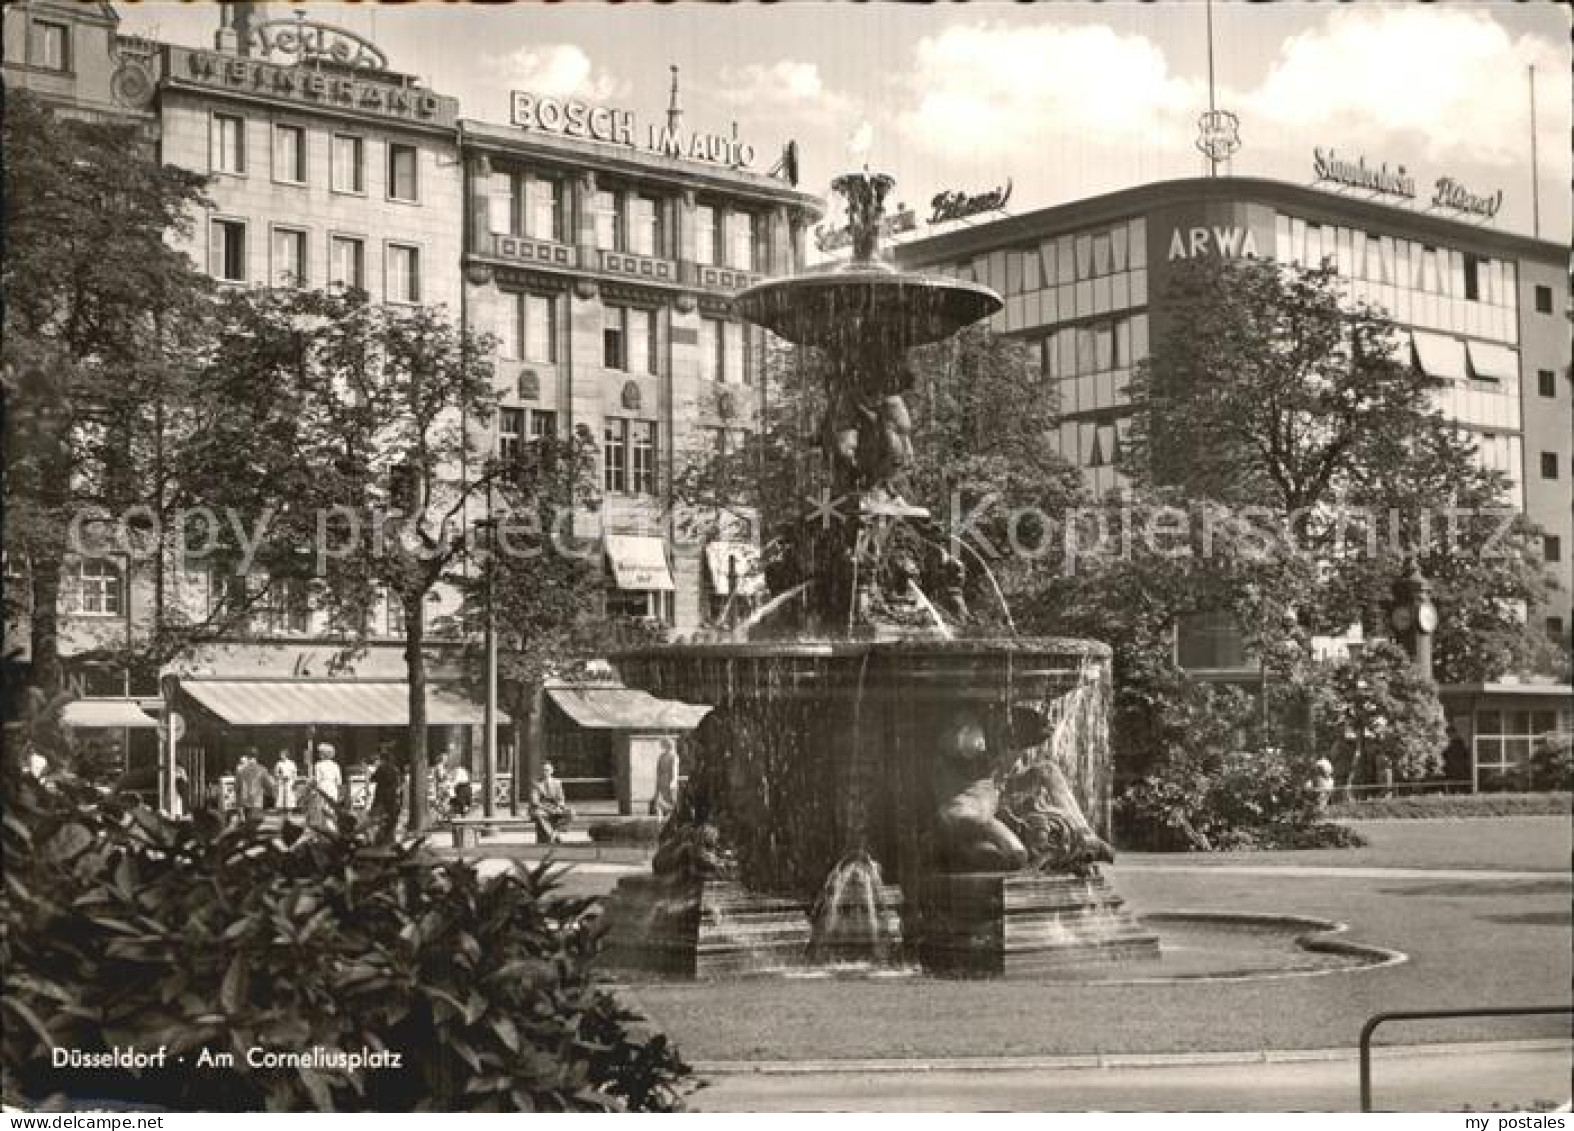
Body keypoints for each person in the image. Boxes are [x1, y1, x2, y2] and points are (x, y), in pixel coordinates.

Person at [529, 761, 574, 844]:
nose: (545, 772)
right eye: (543, 770)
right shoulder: (536, 783)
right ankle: (553, 836)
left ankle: (554, 833)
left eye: (547, 770)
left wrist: (559, 806)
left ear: (552, 771)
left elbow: (561, 798)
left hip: (555, 807)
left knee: (571, 812)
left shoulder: (557, 782)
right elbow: (534, 801)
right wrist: (548, 809)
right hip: (541, 808)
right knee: (539, 814)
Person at [306, 743, 343, 832]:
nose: (319, 755)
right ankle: (332, 829)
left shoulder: (318, 765)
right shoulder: (336, 765)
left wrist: (310, 783)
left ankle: (323, 831)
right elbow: (339, 781)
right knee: (331, 810)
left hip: (323, 788)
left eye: (320, 753)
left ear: (323, 754)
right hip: (333, 788)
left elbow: (318, 779)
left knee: (321, 810)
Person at [369, 750, 402, 844]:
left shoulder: (381, 768)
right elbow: (399, 783)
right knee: (391, 816)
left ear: (383, 759)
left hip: (381, 795)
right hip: (392, 795)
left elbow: (373, 778)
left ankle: (379, 838)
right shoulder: (395, 769)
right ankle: (390, 837)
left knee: (377, 816)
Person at [234, 751, 276, 821]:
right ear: (257, 757)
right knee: (255, 823)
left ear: (248, 758)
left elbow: (236, 787)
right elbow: (269, 786)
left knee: (247, 824)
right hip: (257, 802)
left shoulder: (241, 771)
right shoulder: (262, 769)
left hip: (245, 802)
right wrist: (271, 796)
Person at [650, 739, 679, 820]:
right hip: (664, 781)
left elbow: (674, 770)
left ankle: (669, 816)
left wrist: (673, 781)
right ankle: (661, 816)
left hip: (668, 781)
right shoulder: (663, 756)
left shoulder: (673, 756)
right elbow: (658, 770)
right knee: (662, 799)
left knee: (670, 799)